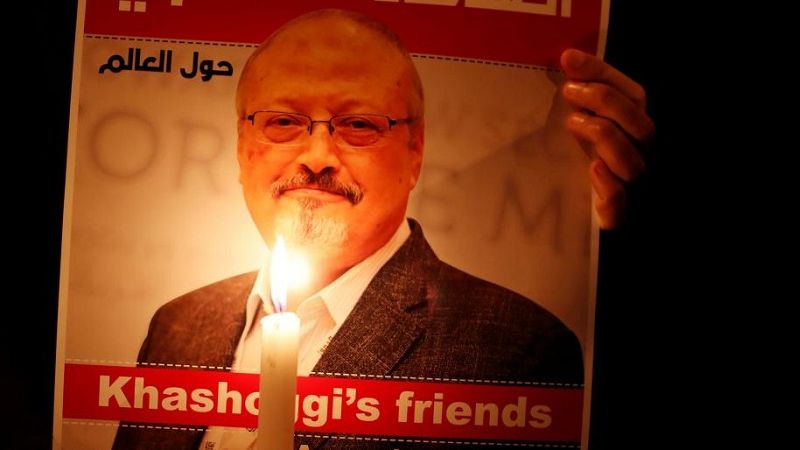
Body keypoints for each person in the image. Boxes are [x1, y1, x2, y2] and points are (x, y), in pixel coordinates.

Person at [112, 8, 653, 450]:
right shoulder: (175, 326)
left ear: (415, 152)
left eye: (359, 125)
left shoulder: (519, 348)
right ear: (240, 146)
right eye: (283, 122)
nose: (317, 156)